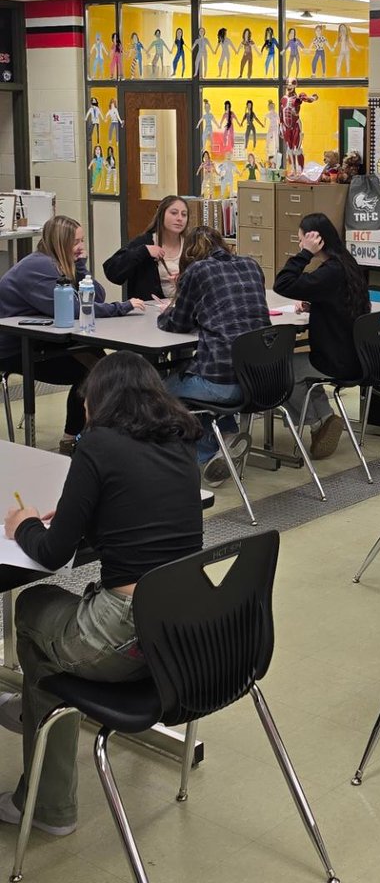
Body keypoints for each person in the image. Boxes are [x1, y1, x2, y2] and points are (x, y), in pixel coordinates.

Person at [0, 352, 203, 838]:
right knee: (48, 636)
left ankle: (48, 800)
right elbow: (136, 517)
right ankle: (35, 705)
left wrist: (23, 523)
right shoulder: (179, 442)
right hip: (186, 629)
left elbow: (51, 554)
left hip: (123, 635)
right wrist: (81, 514)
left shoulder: (98, 446)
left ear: (99, 401)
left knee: (32, 607)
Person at [0, 216, 143, 452]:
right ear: (60, 242)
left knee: (101, 365)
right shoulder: (39, 266)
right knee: (90, 373)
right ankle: (73, 440)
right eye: (76, 241)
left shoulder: (62, 263)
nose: (80, 246)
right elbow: (76, 309)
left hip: (40, 339)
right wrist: (122, 307)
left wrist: (81, 266)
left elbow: (96, 296)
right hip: (13, 346)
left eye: (82, 240)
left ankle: (95, 434)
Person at [157, 226, 269, 483]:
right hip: (262, 380)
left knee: (160, 390)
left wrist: (171, 304)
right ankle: (227, 438)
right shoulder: (251, 265)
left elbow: (176, 323)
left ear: (189, 255)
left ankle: (205, 456)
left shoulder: (198, 271)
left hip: (225, 385)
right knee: (204, 380)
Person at [273, 213, 370, 460]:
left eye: (301, 240)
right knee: (302, 372)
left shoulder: (330, 271)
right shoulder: (347, 263)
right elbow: (339, 300)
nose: (299, 245)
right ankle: (326, 419)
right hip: (355, 355)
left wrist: (304, 255)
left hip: (336, 359)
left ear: (316, 239)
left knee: (283, 370)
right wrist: (315, 305)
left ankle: (317, 422)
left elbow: (282, 284)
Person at [103, 194, 189, 302]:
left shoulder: (190, 245)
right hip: (148, 309)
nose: (179, 218)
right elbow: (112, 271)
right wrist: (143, 251)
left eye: (184, 215)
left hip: (182, 308)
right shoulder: (145, 241)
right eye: (174, 213)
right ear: (161, 215)